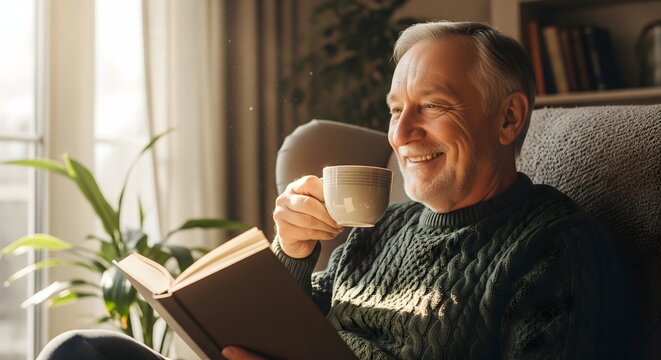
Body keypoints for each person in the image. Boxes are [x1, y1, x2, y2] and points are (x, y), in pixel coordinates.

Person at [38, 21, 633, 360]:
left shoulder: (557, 251)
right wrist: (292, 254)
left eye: (432, 107)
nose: (400, 135)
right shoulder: (384, 226)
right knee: (81, 351)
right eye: (396, 109)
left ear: (507, 120)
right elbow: (299, 328)